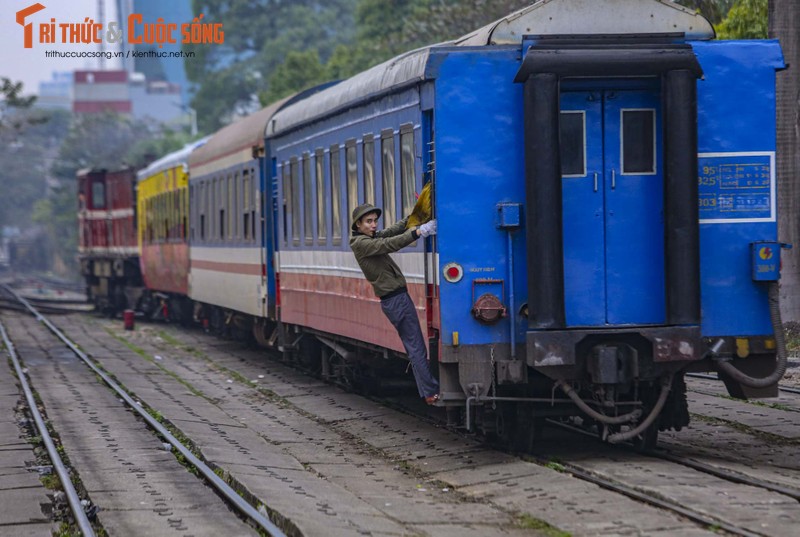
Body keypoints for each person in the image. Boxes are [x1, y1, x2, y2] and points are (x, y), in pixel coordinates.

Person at [350, 203, 440, 405]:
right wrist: (419, 232)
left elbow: (392, 231)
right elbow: (391, 243)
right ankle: (430, 392)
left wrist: (414, 217)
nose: (373, 225)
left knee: (415, 346)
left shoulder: (368, 238)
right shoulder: (361, 244)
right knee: (416, 347)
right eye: (368, 222)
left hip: (397, 298)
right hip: (395, 300)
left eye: (375, 221)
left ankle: (429, 391)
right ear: (358, 224)